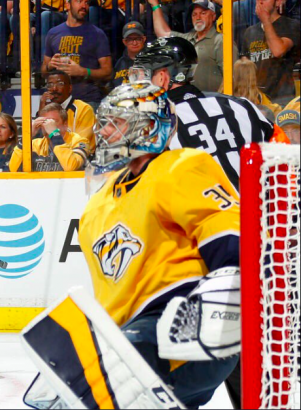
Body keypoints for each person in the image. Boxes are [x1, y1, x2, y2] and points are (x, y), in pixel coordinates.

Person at [129, 36, 289, 408]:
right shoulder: (245, 107)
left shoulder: (155, 122)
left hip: (204, 256)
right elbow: (281, 162)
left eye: (145, 73)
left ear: (166, 78)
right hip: (262, 249)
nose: (138, 81)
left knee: (191, 370)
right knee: (254, 366)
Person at [67, 81, 239, 409]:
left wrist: (227, 309)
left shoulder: (180, 166)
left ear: (147, 127)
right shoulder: (98, 203)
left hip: (182, 322)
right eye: (103, 124)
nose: (104, 133)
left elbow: (227, 237)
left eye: (115, 123)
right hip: (126, 337)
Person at [129, 36, 285, 190]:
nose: (139, 84)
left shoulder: (153, 125)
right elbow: (283, 154)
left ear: (162, 78)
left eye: (145, 75)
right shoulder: (240, 105)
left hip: (203, 212)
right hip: (258, 210)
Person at [149, 0, 238, 93]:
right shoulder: (187, 38)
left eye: (203, 13)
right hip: (190, 101)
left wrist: (220, 100)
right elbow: (162, 33)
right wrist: (155, 5)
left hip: (212, 102)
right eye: (194, 14)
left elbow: (232, 77)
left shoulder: (221, 40)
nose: (198, 17)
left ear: (213, 16)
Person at [42, 0, 112, 108]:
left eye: (87, 2)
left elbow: (108, 72)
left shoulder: (97, 34)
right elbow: (43, 72)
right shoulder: (53, 33)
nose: (84, 6)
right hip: (59, 102)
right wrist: (49, 66)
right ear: (67, 4)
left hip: (88, 101)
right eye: (79, 1)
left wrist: (83, 71)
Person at [241, 0, 300, 104]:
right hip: (256, 100)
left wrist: (266, 21)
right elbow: (245, 69)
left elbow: (278, 51)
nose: (260, 1)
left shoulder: (291, 25)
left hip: (282, 100)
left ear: (278, 2)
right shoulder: (250, 32)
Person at [10, 103, 90, 172]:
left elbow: (70, 166)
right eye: (44, 121)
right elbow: (13, 168)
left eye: (52, 121)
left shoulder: (80, 142)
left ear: (65, 124)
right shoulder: (35, 144)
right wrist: (27, 137)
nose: (47, 125)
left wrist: (54, 134)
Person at [37, 70, 96, 154]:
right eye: (50, 85)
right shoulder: (47, 109)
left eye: (60, 84)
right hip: (52, 161)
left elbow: (83, 143)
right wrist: (42, 108)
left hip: (79, 159)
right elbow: (40, 142)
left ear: (70, 88)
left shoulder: (84, 109)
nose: (54, 88)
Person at [112, 21, 147, 87]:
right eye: (130, 39)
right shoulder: (119, 64)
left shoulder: (152, 61)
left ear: (144, 39)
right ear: (124, 42)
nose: (134, 43)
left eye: (138, 39)